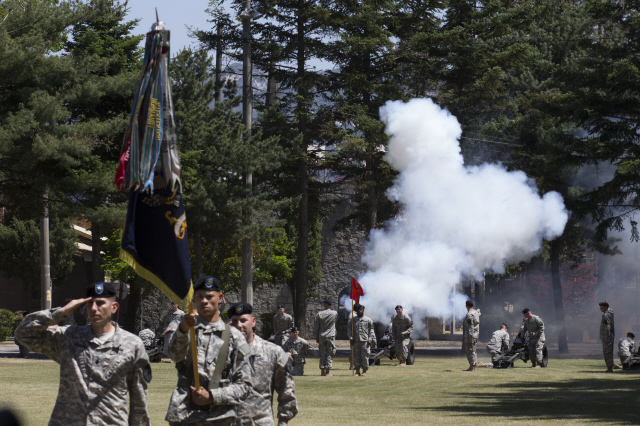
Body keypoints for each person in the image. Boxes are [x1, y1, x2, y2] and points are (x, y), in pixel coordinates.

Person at [15, 282, 151, 425]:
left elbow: (139, 398)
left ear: (114, 307)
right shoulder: (68, 337)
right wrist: (61, 312)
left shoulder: (133, 344)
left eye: (100, 303)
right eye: (89, 303)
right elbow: (23, 333)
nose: (93, 308)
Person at [165, 276, 252, 425]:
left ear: (220, 298)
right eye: (199, 296)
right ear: (194, 299)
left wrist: (212, 396)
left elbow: (245, 386)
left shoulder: (233, 336)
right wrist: (183, 329)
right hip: (185, 414)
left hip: (220, 416)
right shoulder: (183, 328)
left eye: (209, 296)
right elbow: (174, 355)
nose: (204, 301)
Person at [228, 302, 298, 426]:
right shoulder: (220, 353)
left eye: (243, 320)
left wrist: (283, 422)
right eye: (234, 321)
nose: (239, 325)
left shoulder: (273, 352)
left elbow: (287, 392)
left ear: (253, 321)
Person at [312, 299, 338, 376]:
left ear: (324, 305)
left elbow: (316, 326)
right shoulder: (334, 313)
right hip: (330, 336)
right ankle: (328, 371)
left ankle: (322, 371)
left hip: (322, 336)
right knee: (329, 353)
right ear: (330, 305)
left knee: (322, 353)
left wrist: (316, 336)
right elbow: (336, 319)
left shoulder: (319, 314)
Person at [347, 304, 374, 376]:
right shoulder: (353, 320)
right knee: (356, 357)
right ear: (356, 311)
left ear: (363, 310)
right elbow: (349, 329)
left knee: (365, 357)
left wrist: (370, 338)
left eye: (361, 309)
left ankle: (364, 371)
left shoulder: (368, 320)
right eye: (358, 310)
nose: (360, 311)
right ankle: (357, 371)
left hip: (365, 341)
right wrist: (351, 338)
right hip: (356, 341)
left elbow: (371, 330)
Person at [463, 300, 480, 371]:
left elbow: (470, 327)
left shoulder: (470, 315)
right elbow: (479, 313)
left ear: (466, 306)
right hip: (475, 335)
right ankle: (473, 365)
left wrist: (470, 337)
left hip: (471, 335)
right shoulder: (475, 312)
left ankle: (472, 366)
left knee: (470, 350)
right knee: (473, 350)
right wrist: (478, 311)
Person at [599, 301, 615, 373]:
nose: (600, 309)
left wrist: (607, 338)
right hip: (609, 336)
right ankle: (610, 367)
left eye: (601, 307)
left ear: (606, 308)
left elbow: (607, 327)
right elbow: (610, 309)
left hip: (607, 337)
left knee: (607, 352)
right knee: (609, 352)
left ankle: (609, 368)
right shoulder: (610, 313)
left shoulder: (606, 316)